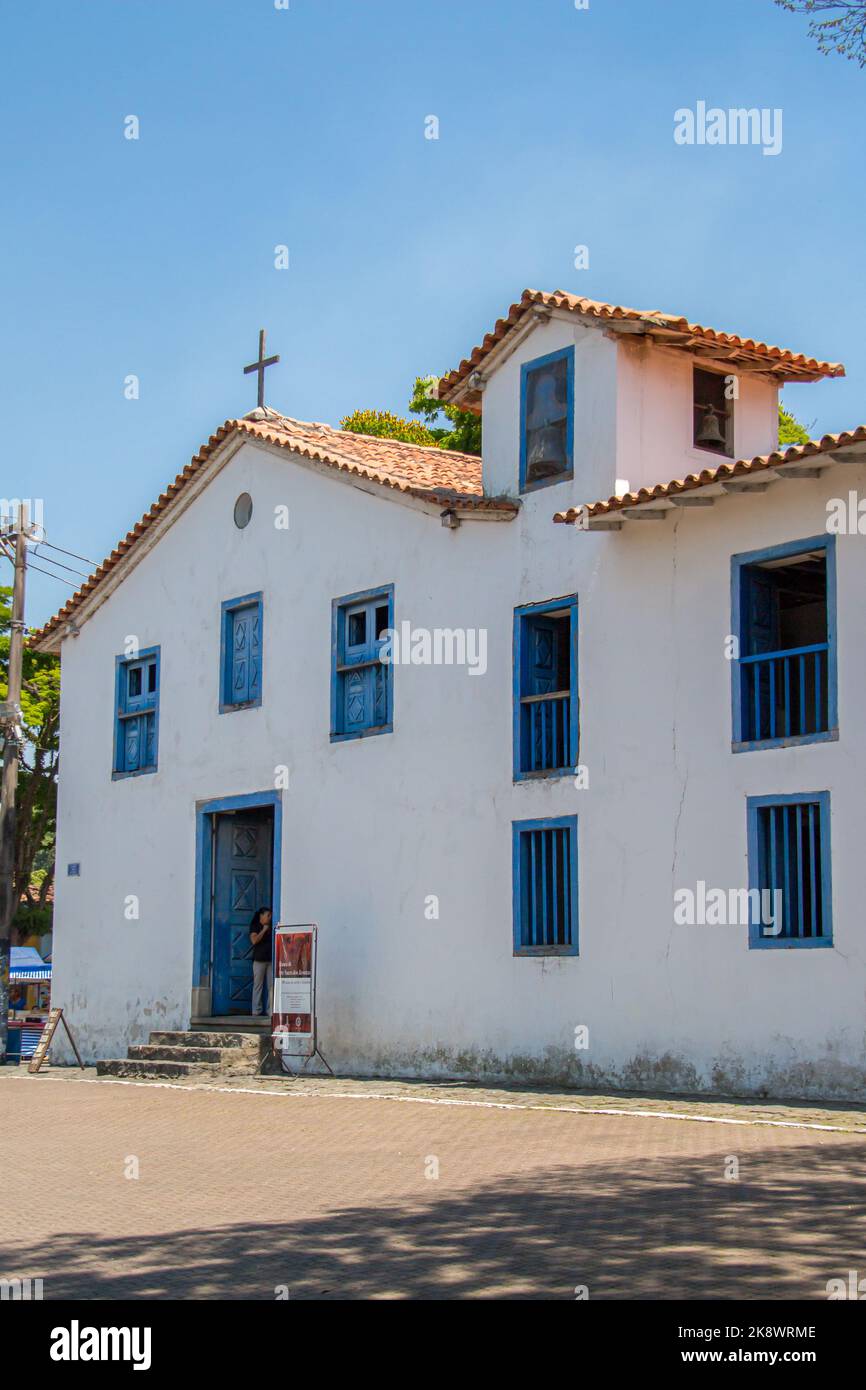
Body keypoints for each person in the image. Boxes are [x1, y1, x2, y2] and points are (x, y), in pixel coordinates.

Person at [249, 907, 273, 1017]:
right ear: (261, 915)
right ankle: (256, 1011)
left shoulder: (272, 925)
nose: (270, 918)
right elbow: (254, 941)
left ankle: (270, 1010)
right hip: (259, 960)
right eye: (268, 915)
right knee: (258, 986)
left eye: (270, 915)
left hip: (271, 960)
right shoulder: (255, 925)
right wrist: (263, 930)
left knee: (271, 986)